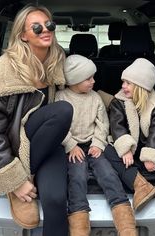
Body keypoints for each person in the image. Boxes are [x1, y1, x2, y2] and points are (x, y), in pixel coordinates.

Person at [0, 4, 73, 236]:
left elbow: (83, 91)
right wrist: (15, 180)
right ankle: (19, 179)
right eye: (36, 27)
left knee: (56, 199)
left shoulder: (56, 63)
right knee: (62, 111)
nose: (45, 30)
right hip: (16, 150)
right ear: (22, 36)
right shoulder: (7, 72)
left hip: (48, 143)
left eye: (49, 25)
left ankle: (27, 176)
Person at [55, 54, 137, 236]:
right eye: (88, 78)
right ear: (75, 80)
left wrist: (98, 144)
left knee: (108, 173)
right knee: (77, 175)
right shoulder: (60, 98)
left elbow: (103, 124)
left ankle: (125, 221)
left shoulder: (95, 98)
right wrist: (70, 145)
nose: (93, 81)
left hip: (93, 143)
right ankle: (78, 222)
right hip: (72, 146)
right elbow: (57, 126)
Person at [105, 58, 155, 212]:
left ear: (141, 86)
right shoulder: (119, 102)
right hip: (129, 151)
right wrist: (125, 149)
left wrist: (150, 157)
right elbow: (117, 126)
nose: (123, 86)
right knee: (108, 149)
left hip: (149, 145)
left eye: (128, 83)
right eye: (123, 82)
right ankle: (140, 185)